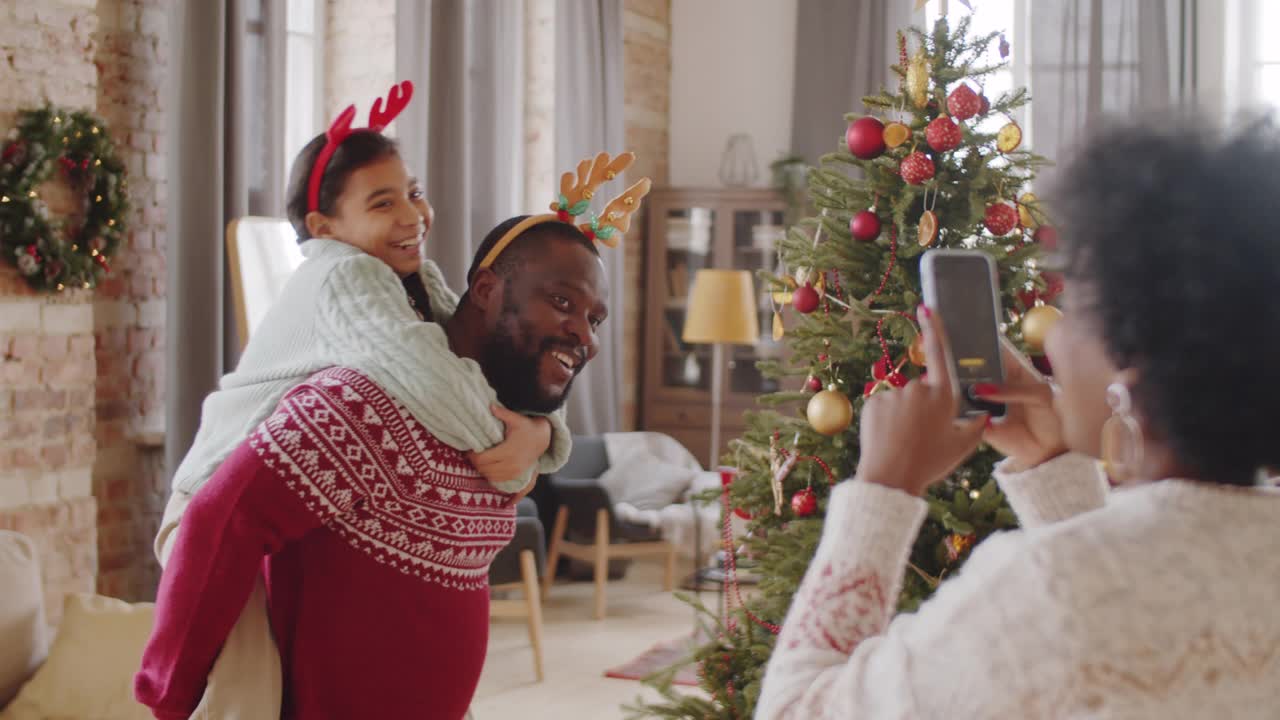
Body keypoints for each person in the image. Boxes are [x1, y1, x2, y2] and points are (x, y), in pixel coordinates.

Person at [756, 116, 1280, 718]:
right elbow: (1154, 585)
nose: (1050, 343)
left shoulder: (1040, 592)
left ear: (1127, 374)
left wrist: (883, 487)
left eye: (1070, 309)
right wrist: (1053, 466)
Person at [136, 213, 616, 719]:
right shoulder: (360, 404)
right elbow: (220, 520)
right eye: (562, 303)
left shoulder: (502, 430)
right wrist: (168, 693)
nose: (585, 337)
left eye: (596, 320)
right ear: (485, 289)